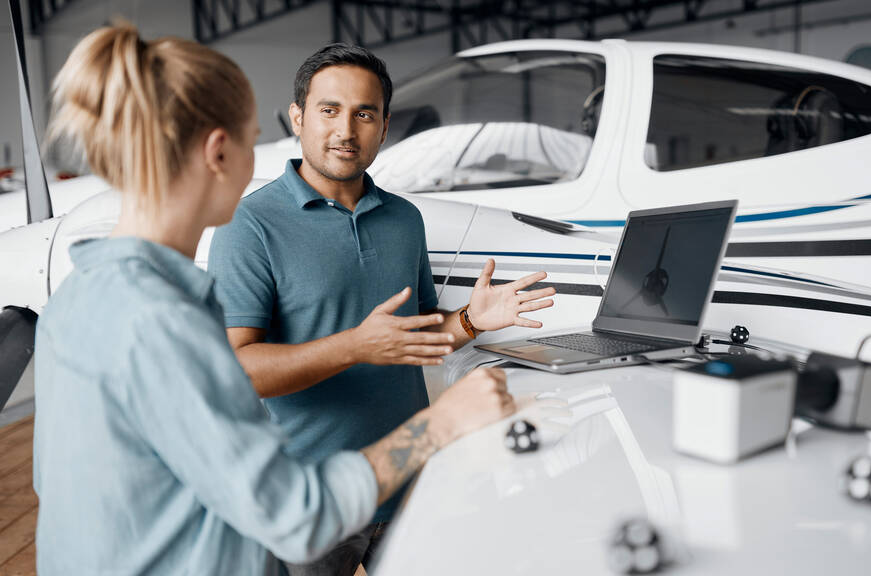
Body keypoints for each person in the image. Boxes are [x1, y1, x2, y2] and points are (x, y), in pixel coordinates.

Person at [33, 24, 514, 576]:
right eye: (253, 136)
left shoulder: (79, 293)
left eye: (364, 113)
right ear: (221, 152)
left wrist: (470, 321)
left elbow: (59, 484)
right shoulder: (161, 319)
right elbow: (296, 513)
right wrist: (441, 424)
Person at [207, 43, 555, 574]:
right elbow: (236, 371)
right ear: (298, 117)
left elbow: (411, 335)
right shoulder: (249, 225)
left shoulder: (404, 219)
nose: (346, 129)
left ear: (385, 126)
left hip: (411, 484)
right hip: (308, 500)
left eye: (364, 113)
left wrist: (469, 321)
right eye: (329, 110)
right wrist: (353, 345)